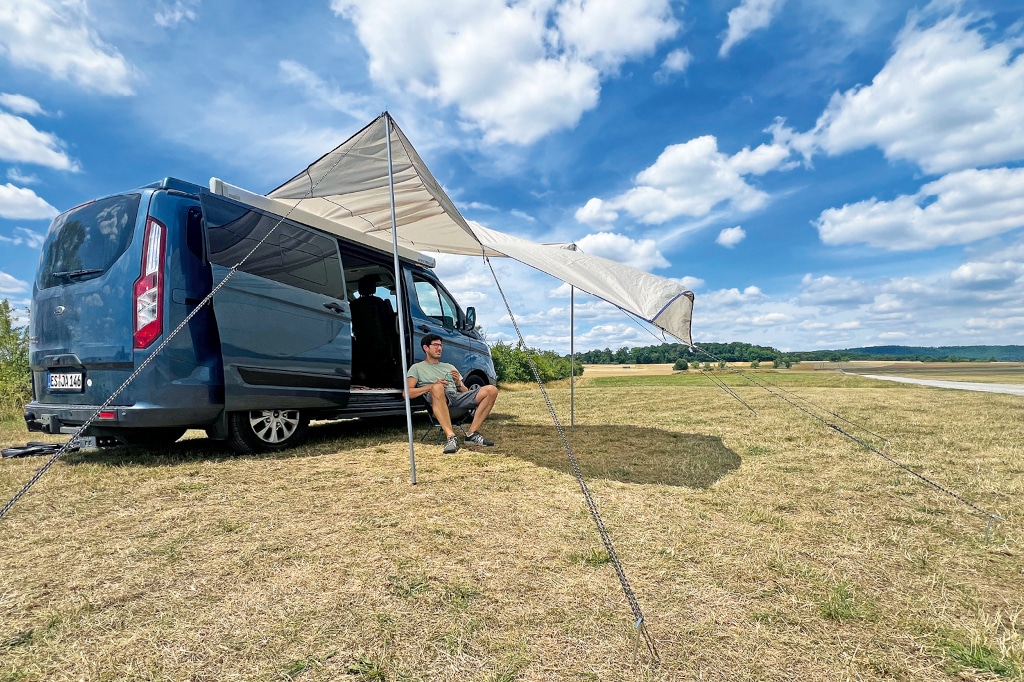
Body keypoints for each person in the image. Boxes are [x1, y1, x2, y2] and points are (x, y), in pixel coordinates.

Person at [406, 334, 498, 454]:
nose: (439, 348)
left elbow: (466, 392)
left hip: (456, 396)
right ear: (426, 348)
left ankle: (472, 435)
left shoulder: (449, 366)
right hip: (437, 398)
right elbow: (407, 393)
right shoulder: (417, 368)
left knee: (491, 390)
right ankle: (451, 437)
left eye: (441, 345)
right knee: (438, 388)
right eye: (435, 345)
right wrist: (432, 386)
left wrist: (458, 383)